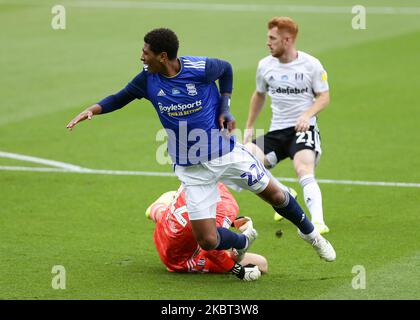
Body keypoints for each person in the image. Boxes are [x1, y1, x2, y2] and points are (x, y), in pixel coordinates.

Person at [66, 27, 335, 264]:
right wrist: (92, 110)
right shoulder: (147, 79)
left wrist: (225, 108)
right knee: (207, 240)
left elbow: (226, 69)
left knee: (276, 196)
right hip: (191, 168)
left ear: (162, 56)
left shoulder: (199, 69)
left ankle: (311, 235)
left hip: (225, 153)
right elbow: (119, 97)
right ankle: (243, 241)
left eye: (146, 52)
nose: (141, 56)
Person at [243, 17, 331, 234]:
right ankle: (284, 192)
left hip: (304, 129)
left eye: (273, 38)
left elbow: (324, 97)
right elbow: (259, 95)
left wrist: (307, 115)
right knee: (247, 160)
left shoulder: (311, 64)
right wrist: (249, 126)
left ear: (287, 40)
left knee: (303, 168)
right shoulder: (265, 65)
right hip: (277, 131)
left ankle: (318, 221)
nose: (268, 43)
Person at [146, 182, 267, 281]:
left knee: (170, 198)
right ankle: (242, 243)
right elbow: (209, 248)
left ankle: (155, 210)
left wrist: (233, 222)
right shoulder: (227, 207)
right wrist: (239, 271)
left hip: (163, 231)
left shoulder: (193, 180)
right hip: (179, 260)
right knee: (261, 263)